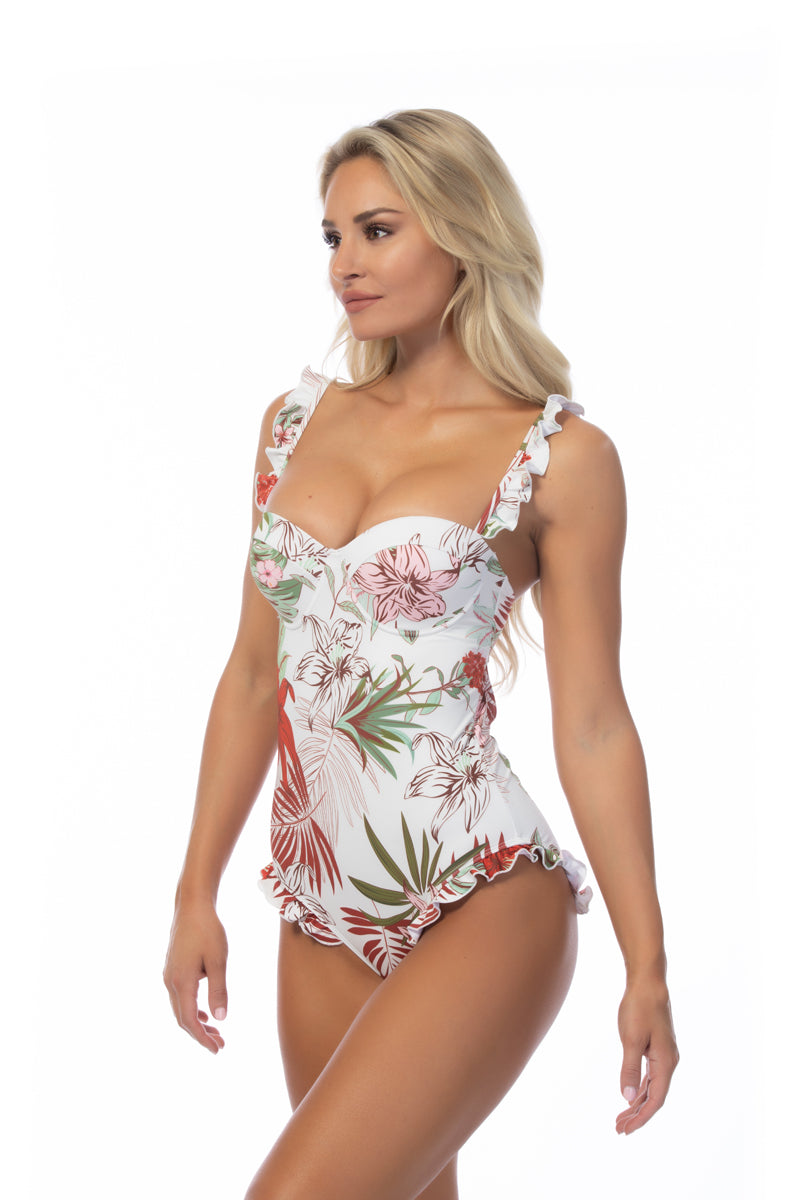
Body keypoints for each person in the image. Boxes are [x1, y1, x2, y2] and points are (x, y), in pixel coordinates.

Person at [163, 108, 679, 1200]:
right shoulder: (291, 425)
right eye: (332, 236)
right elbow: (253, 674)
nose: (343, 265)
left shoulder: (562, 458)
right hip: (318, 898)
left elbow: (594, 723)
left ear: (462, 233)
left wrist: (647, 963)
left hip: (482, 886)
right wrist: (193, 891)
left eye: (378, 230)